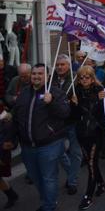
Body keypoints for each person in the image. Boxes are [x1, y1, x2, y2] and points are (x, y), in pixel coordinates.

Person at [9, 64, 70, 211]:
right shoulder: (24, 93)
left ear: (48, 76)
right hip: (27, 146)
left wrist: (52, 102)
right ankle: (47, 200)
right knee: (35, 177)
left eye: (40, 74)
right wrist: (12, 139)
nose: (36, 76)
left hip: (50, 145)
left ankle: (49, 206)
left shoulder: (56, 93)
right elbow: (16, 117)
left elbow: (65, 113)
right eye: (34, 74)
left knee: (48, 178)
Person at [72, 66, 105, 210]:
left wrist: (98, 100)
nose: (84, 80)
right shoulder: (75, 92)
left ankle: (88, 196)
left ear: (92, 78)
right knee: (90, 162)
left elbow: (98, 113)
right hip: (81, 133)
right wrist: (73, 104)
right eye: (81, 77)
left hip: (96, 133)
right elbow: (73, 116)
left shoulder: (99, 91)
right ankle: (102, 184)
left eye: (87, 77)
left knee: (91, 164)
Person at [51, 54, 81, 195]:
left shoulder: (77, 78)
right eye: (57, 65)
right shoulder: (51, 79)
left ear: (69, 66)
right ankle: (71, 174)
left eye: (63, 64)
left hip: (73, 121)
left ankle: (72, 181)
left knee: (75, 153)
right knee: (59, 151)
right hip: (57, 122)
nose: (59, 67)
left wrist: (77, 101)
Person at [0, 104, 18, 208]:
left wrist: (2, 158)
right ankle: (12, 195)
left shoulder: (5, 120)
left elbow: (10, 142)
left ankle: (12, 195)